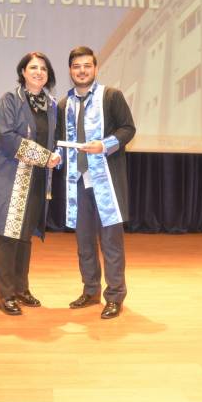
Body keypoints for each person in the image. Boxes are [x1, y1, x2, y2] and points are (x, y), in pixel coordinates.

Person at [0, 52, 62, 315]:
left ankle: (20, 288)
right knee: (7, 235)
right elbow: (8, 138)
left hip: (36, 179)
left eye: (44, 69)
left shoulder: (51, 105)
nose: (39, 72)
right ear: (23, 72)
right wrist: (45, 157)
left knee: (24, 235)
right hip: (8, 177)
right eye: (33, 67)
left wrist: (57, 155)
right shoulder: (9, 101)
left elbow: (56, 139)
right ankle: (5, 295)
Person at [57, 46, 136, 319]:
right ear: (70, 70)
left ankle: (114, 295)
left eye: (87, 66)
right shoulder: (63, 105)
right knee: (84, 242)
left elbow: (128, 129)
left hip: (106, 181)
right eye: (76, 66)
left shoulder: (111, 96)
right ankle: (90, 290)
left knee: (111, 242)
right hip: (78, 182)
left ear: (95, 68)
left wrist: (104, 144)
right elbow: (60, 142)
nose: (82, 71)